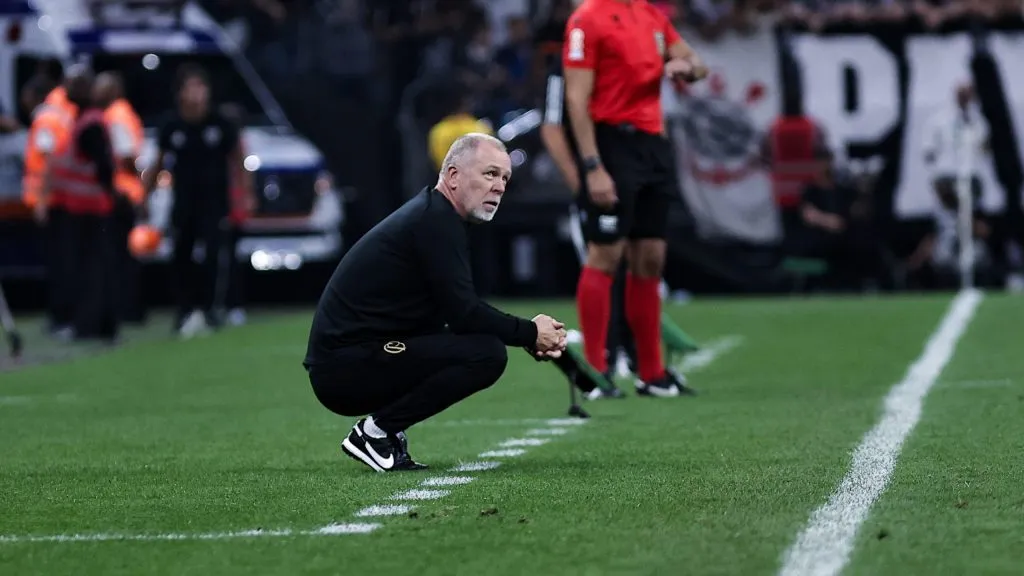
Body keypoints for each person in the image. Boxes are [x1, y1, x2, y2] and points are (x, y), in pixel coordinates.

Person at [303, 133, 568, 472]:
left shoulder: (437, 216)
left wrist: (528, 335)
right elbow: (465, 313)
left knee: (477, 345)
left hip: (356, 355)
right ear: (453, 176)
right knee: (485, 353)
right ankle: (375, 433)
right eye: (490, 174)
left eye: (505, 178)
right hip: (343, 367)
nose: (499, 186)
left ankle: (385, 430)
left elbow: (455, 313)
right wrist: (530, 333)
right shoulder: (434, 221)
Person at [562, 0, 706, 397]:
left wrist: (686, 67)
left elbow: (697, 63)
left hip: (652, 145)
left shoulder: (651, 14)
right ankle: (595, 371)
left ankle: (651, 373)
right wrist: (593, 165)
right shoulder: (587, 18)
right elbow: (576, 98)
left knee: (651, 257)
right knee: (606, 254)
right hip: (612, 143)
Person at [144, 64, 254, 338]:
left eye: (201, 87)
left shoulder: (220, 123)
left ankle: (210, 310)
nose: (197, 93)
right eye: (191, 87)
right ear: (180, 93)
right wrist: (144, 194)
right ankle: (184, 310)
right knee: (181, 256)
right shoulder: (172, 125)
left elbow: (239, 161)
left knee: (214, 257)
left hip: (214, 204)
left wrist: (245, 196)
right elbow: (158, 163)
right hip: (183, 204)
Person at [40, 68, 120, 343]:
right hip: (85, 205)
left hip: (89, 207)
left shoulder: (89, 124)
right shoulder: (84, 120)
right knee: (92, 266)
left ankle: (90, 323)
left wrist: (111, 193)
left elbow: (102, 166)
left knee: (90, 268)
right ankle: (97, 323)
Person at [94, 71, 147, 325]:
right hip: (127, 192)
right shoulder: (121, 112)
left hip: (121, 194)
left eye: (101, 87)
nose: (96, 92)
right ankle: (128, 307)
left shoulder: (116, 116)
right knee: (123, 254)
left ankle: (128, 308)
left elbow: (126, 156)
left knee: (120, 255)